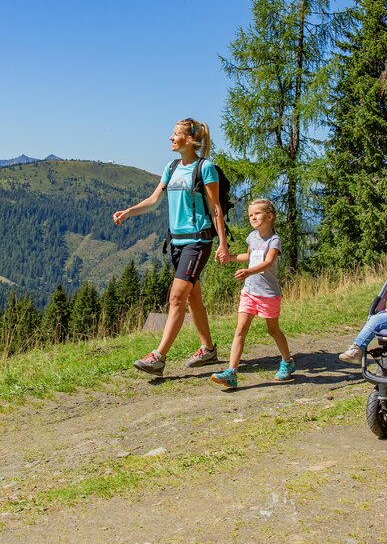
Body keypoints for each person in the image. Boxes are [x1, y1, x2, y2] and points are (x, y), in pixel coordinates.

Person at [113, 118, 230, 376]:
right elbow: (154, 201)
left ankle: (158, 357)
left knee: (177, 296)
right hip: (176, 243)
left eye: (175, 134)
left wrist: (222, 243)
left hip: (198, 241)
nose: (170, 138)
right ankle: (208, 349)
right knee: (192, 296)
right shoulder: (172, 167)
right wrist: (128, 212)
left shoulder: (205, 168)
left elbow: (215, 208)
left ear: (189, 140)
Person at [210, 199, 295, 390]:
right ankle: (231, 372)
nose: (253, 217)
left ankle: (288, 361)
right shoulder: (252, 237)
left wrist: (249, 271)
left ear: (270, 216)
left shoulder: (274, 240)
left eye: (257, 213)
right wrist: (230, 257)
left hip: (268, 294)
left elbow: (268, 262)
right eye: (250, 215)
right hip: (249, 291)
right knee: (240, 330)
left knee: (273, 330)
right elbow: (249, 257)